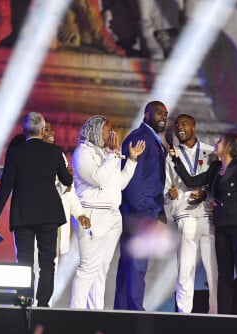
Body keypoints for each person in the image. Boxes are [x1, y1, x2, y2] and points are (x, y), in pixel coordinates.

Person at [0, 123, 90, 306]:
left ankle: (45, 305)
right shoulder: (20, 157)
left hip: (48, 218)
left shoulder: (55, 154)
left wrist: (79, 212)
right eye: (47, 129)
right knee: (27, 264)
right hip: (27, 219)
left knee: (48, 264)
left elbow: (67, 189)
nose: (52, 132)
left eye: (52, 129)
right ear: (39, 132)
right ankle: (26, 301)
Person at [0, 112, 73, 307]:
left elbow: (5, 186)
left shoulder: (15, 153)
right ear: (42, 131)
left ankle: (25, 300)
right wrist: (68, 174)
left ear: (24, 131)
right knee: (48, 262)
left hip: (23, 214)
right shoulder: (55, 152)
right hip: (49, 214)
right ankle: (43, 304)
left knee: (24, 261)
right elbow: (66, 180)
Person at [170, 133, 237, 315]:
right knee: (223, 275)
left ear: (227, 146)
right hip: (220, 227)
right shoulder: (215, 168)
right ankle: (223, 316)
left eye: (219, 141)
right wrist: (177, 161)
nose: (215, 144)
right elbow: (192, 181)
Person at [70, 115, 146, 309]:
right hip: (92, 214)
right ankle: (75, 314)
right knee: (88, 268)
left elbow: (119, 184)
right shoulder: (82, 153)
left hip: (112, 215)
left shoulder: (107, 154)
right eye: (107, 129)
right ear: (95, 130)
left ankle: (95, 313)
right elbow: (97, 179)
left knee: (101, 269)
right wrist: (114, 154)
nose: (111, 134)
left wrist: (131, 160)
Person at [114, 101, 169, 311]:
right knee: (137, 263)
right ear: (146, 115)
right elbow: (133, 181)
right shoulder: (139, 138)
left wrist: (160, 213)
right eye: (158, 113)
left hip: (145, 210)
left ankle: (122, 308)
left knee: (130, 263)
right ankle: (135, 309)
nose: (163, 116)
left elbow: (153, 180)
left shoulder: (152, 140)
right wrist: (142, 212)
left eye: (165, 113)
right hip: (138, 212)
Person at [165, 114, 218, 314]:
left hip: (207, 215)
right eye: (177, 125)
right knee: (185, 270)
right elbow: (165, 190)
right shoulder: (170, 156)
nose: (180, 128)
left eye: (184, 124)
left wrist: (206, 193)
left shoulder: (210, 152)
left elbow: (215, 183)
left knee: (213, 270)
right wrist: (169, 195)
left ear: (194, 127)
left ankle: (216, 314)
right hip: (185, 215)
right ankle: (184, 315)